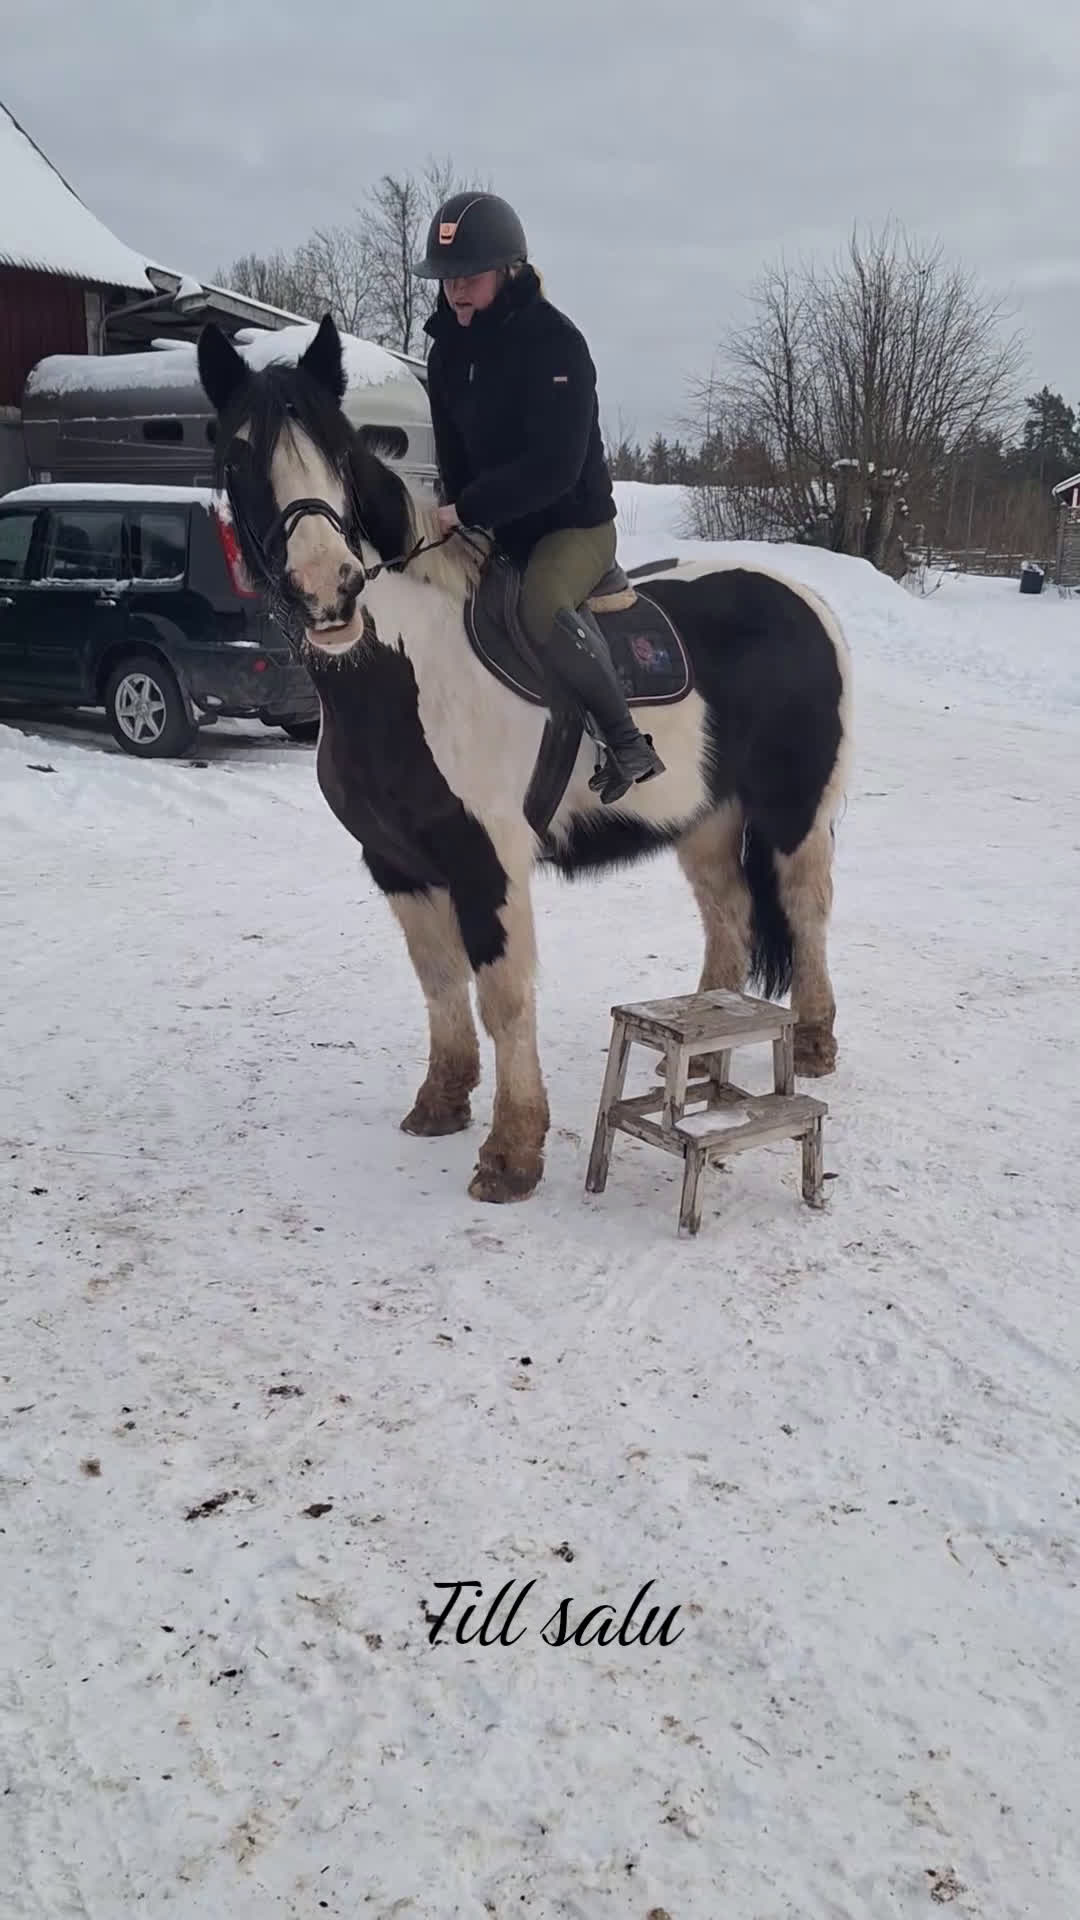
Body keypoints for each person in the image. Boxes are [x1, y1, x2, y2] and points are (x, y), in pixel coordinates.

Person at [413, 191, 665, 805]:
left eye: (469, 277)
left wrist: (468, 510)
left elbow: (555, 467)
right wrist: (454, 517)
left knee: (539, 605)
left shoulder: (556, 345)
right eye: (447, 279)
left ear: (509, 270)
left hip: (572, 525)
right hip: (497, 526)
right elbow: (453, 455)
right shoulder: (445, 353)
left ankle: (627, 742)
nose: (456, 291)